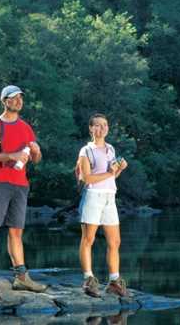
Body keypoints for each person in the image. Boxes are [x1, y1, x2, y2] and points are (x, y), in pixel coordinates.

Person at [0, 84, 46, 291]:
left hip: (21, 184)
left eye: (20, 97)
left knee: (16, 232)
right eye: (13, 98)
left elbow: (36, 159)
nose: (18, 101)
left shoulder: (26, 127)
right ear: (4, 101)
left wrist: (36, 151)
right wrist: (10, 156)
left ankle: (21, 278)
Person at [77, 113, 130, 298]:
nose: (102, 128)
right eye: (97, 125)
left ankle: (114, 282)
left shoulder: (111, 149)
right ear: (91, 128)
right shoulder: (86, 151)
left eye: (105, 125)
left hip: (109, 197)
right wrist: (109, 173)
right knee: (88, 239)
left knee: (115, 242)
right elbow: (86, 178)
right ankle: (88, 279)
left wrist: (119, 170)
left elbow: (111, 176)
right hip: (93, 196)